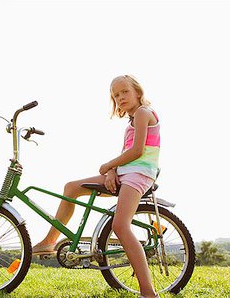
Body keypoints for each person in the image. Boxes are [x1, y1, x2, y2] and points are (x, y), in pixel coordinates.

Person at [32, 75, 160, 298]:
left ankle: (148, 293)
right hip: (124, 172)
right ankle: (49, 242)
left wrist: (109, 165)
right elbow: (125, 153)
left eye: (124, 92)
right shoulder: (130, 120)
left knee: (120, 226)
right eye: (116, 95)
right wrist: (111, 171)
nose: (120, 97)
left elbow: (138, 151)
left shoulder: (142, 113)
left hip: (138, 175)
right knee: (71, 187)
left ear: (138, 92)